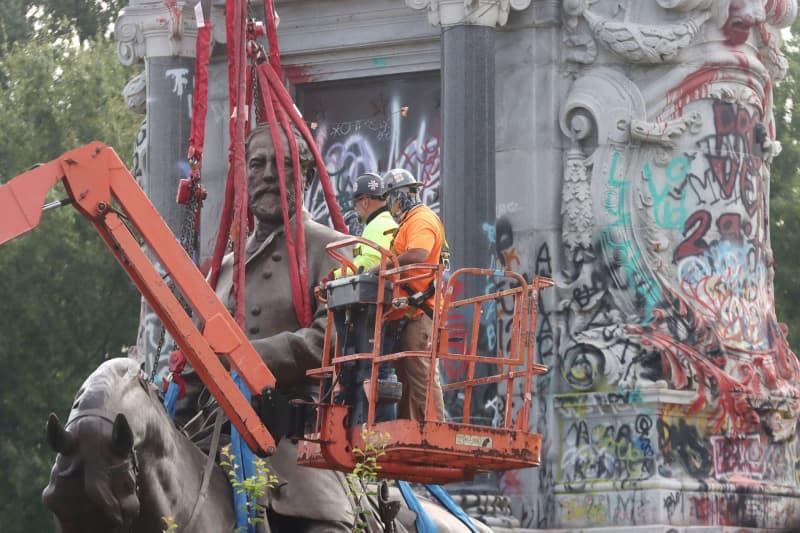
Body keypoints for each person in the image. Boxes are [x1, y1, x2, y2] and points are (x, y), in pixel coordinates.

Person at [212, 123, 356, 532]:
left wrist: (250, 357)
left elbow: (335, 339)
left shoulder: (334, 251)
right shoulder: (222, 272)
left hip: (299, 444)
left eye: (284, 165)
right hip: (215, 439)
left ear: (306, 176)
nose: (269, 175)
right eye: (257, 165)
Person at [380, 168, 446, 422]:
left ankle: (434, 429)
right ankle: (411, 429)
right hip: (410, 312)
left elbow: (419, 254)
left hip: (421, 311)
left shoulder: (421, 220)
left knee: (421, 374)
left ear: (400, 196)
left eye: (390, 199)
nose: (389, 206)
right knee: (407, 374)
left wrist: (384, 267)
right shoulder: (410, 222)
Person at [333, 172, 398, 277]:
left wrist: (334, 276)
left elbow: (369, 263)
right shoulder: (385, 222)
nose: (355, 208)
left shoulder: (378, 225)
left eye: (355, 203)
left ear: (365, 202)